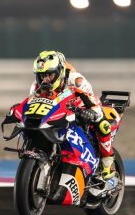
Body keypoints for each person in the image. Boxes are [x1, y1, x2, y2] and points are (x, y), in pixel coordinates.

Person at [30, 50, 115, 180]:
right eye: (42, 75)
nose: (45, 79)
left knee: (102, 124)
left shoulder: (77, 80)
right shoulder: (37, 86)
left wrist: (90, 112)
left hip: (78, 105)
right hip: (57, 112)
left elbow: (93, 103)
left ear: (59, 72)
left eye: (49, 75)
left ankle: (107, 164)